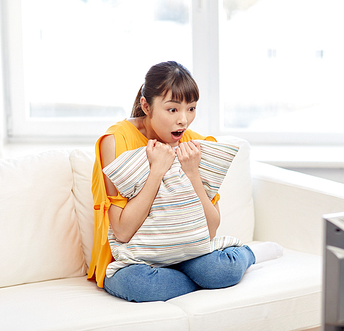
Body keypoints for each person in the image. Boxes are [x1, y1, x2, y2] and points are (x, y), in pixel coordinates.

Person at [88, 61, 281, 302]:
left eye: (191, 108)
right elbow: (123, 231)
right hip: (132, 259)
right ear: (146, 105)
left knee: (222, 270)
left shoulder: (196, 145)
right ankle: (203, 279)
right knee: (139, 285)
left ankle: (247, 255)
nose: (184, 120)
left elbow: (210, 230)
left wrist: (192, 174)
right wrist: (157, 170)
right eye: (172, 109)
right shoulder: (116, 141)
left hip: (187, 252)